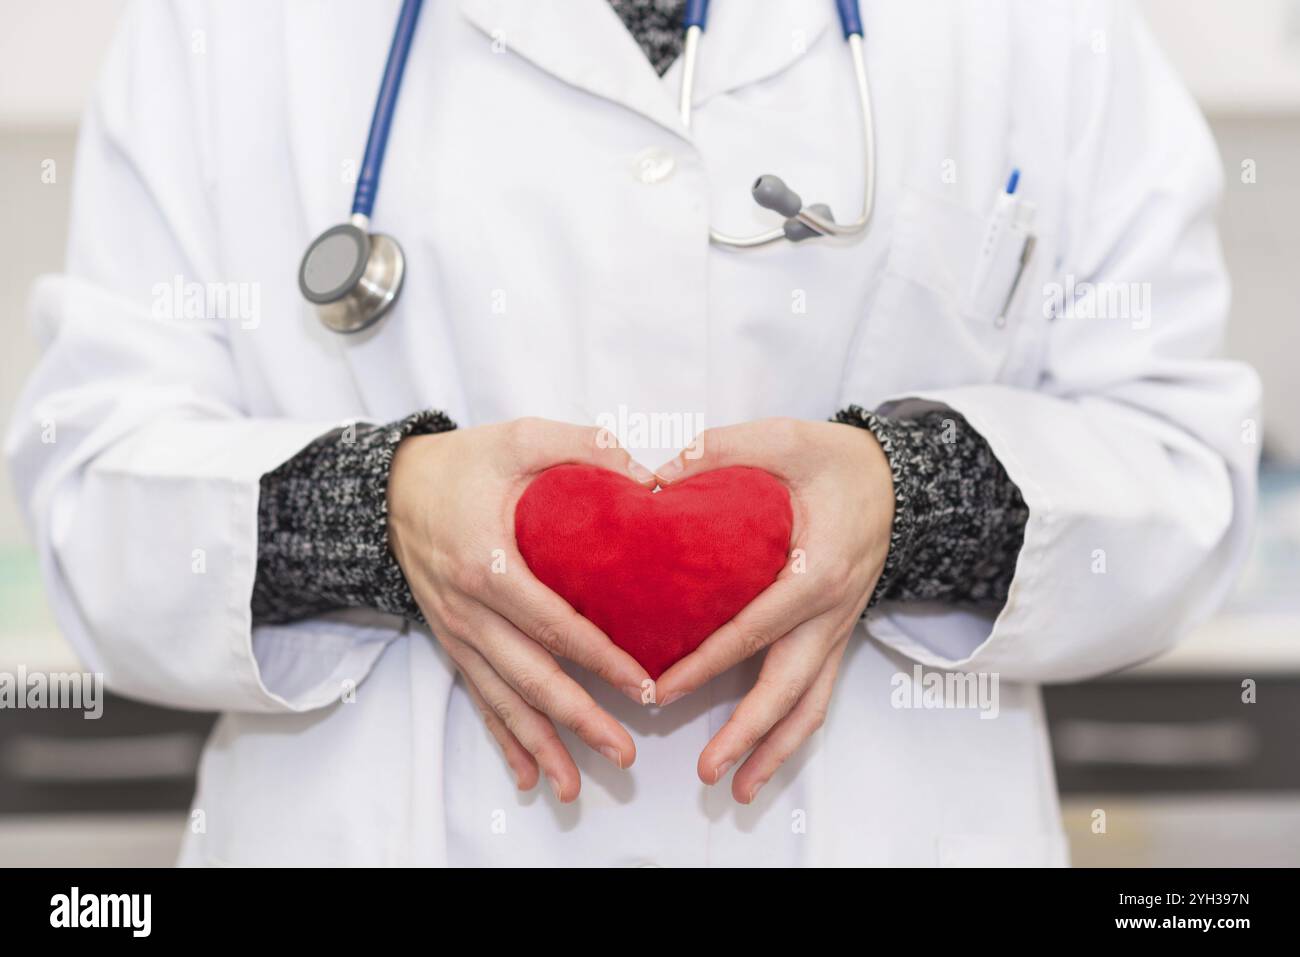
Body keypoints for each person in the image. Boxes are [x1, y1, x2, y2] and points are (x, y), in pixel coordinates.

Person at [6, 0, 1259, 866]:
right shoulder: (226, 32)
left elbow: (1177, 460)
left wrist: (913, 501)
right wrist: (377, 512)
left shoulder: (1040, 28)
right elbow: (96, 494)